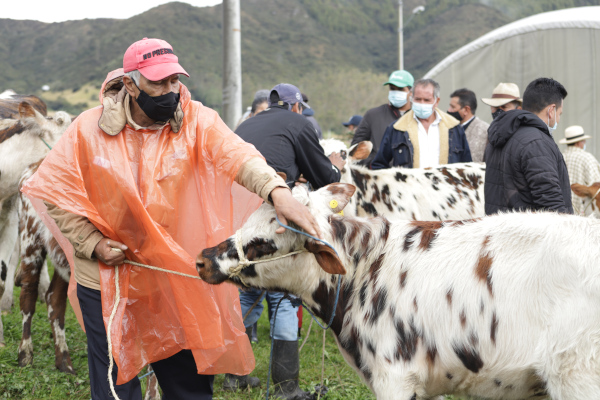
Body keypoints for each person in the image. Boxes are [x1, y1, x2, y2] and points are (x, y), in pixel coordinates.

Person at [21, 38, 324, 400]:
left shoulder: (196, 120)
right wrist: (93, 243)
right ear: (131, 84)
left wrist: (278, 192)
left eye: (174, 81)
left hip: (171, 273)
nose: (170, 90)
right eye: (158, 83)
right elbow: (58, 195)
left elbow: (238, 156)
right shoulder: (88, 131)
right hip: (108, 279)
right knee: (115, 384)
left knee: (188, 384)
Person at [231, 83, 344, 399]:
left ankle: (230, 372)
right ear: (296, 106)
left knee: (244, 291)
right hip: (271, 217)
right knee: (283, 298)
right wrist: (334, 168)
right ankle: (285, 388)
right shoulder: (300, 123)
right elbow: (325, 178)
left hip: (236, 218)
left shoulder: (246, 124)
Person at [484, 77, 573, 215]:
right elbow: (551, 204)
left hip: (500, 232)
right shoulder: (536, 142)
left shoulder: (496, 139)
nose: (558, 119)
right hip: (530, 235)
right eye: (559, 114)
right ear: (551, 110)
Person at [371, 78, 472, 170]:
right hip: (410, 188)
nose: (422, 103)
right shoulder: (397, 128)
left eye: (427, 100)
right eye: (418, 99)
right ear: (412, 98)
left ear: (436, 101)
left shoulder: (453, 127)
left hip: (445, 188)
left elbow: (467, 166)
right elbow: (379, 164)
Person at [351, 70, 414, 165]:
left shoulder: (417, 117)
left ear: (411, 92)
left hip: (409, 176)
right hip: (378, 175)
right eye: (392, 89)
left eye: (400, 89)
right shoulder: (372, 115)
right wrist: (372, 164)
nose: (396, 92)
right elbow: (356, 148)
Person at [560, 125, 600, 215]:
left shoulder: (560, 157)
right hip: (582, 213)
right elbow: (596, 189)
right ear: (579, 143)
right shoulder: (587, 158)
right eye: (584, 141)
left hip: (562, 210)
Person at [447, 88, 489, 162]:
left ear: (466, 110)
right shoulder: (447, 128)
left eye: (453, 107)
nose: (449, 110)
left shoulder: (485, 131)